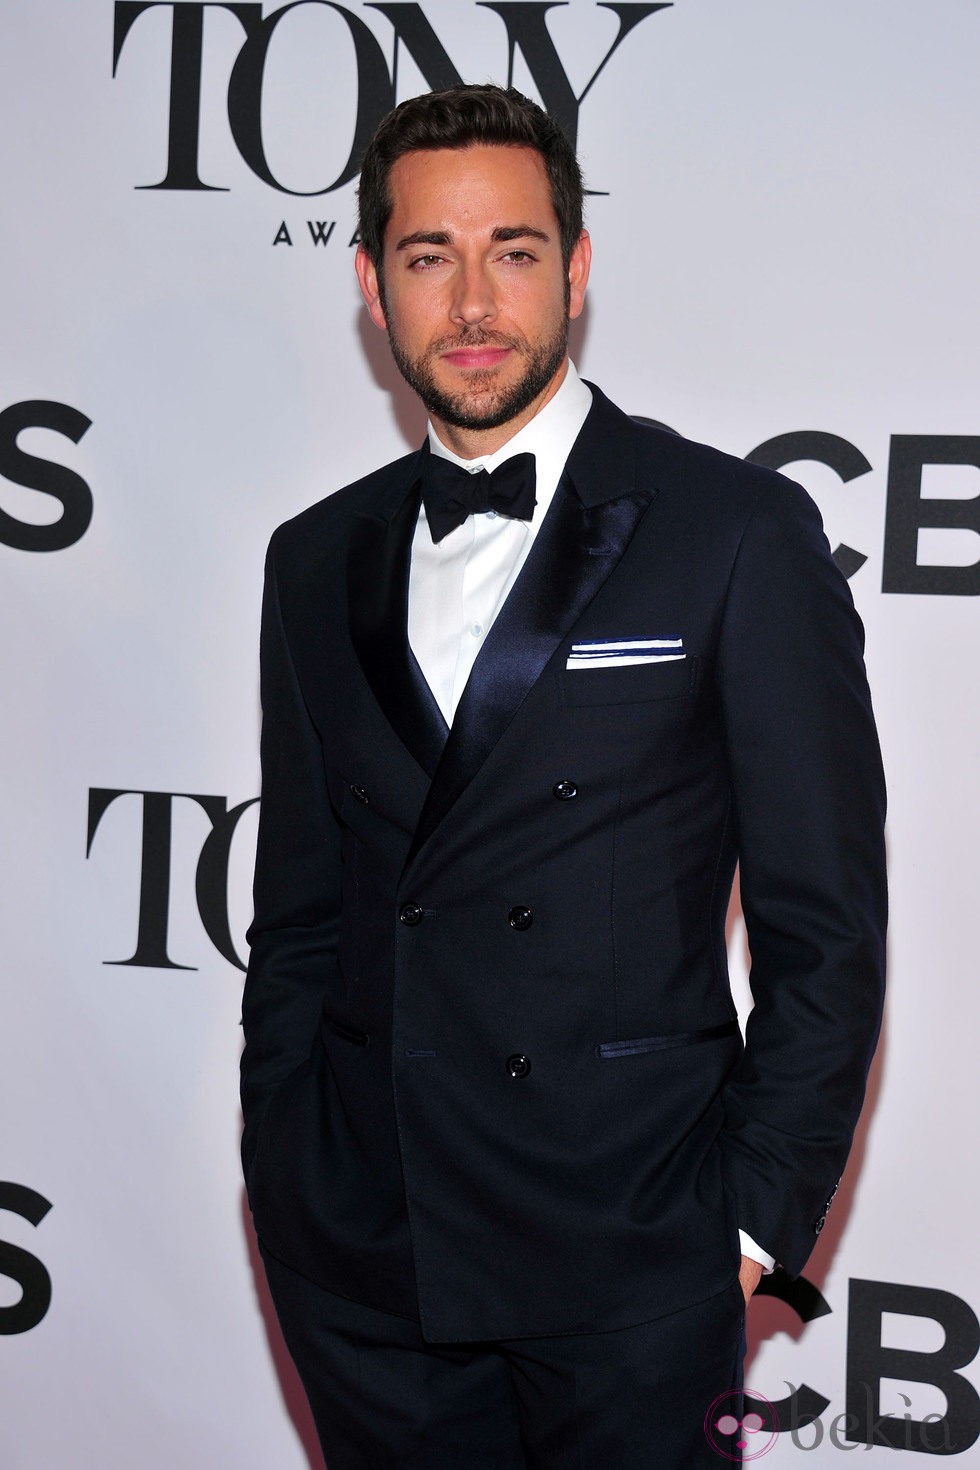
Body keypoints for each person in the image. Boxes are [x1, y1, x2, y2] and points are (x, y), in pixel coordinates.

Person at [240, 83, 887, 1468]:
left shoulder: (734, 532)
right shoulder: (313, 557)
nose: (474, 302)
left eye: (515, 252)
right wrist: (287, 1179)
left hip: (632, 1258)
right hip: (370, 1262)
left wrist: (751, 1225)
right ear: (371, 285)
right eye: (429, 258)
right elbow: (298, 917)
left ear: (577, 270)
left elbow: (824, 927)